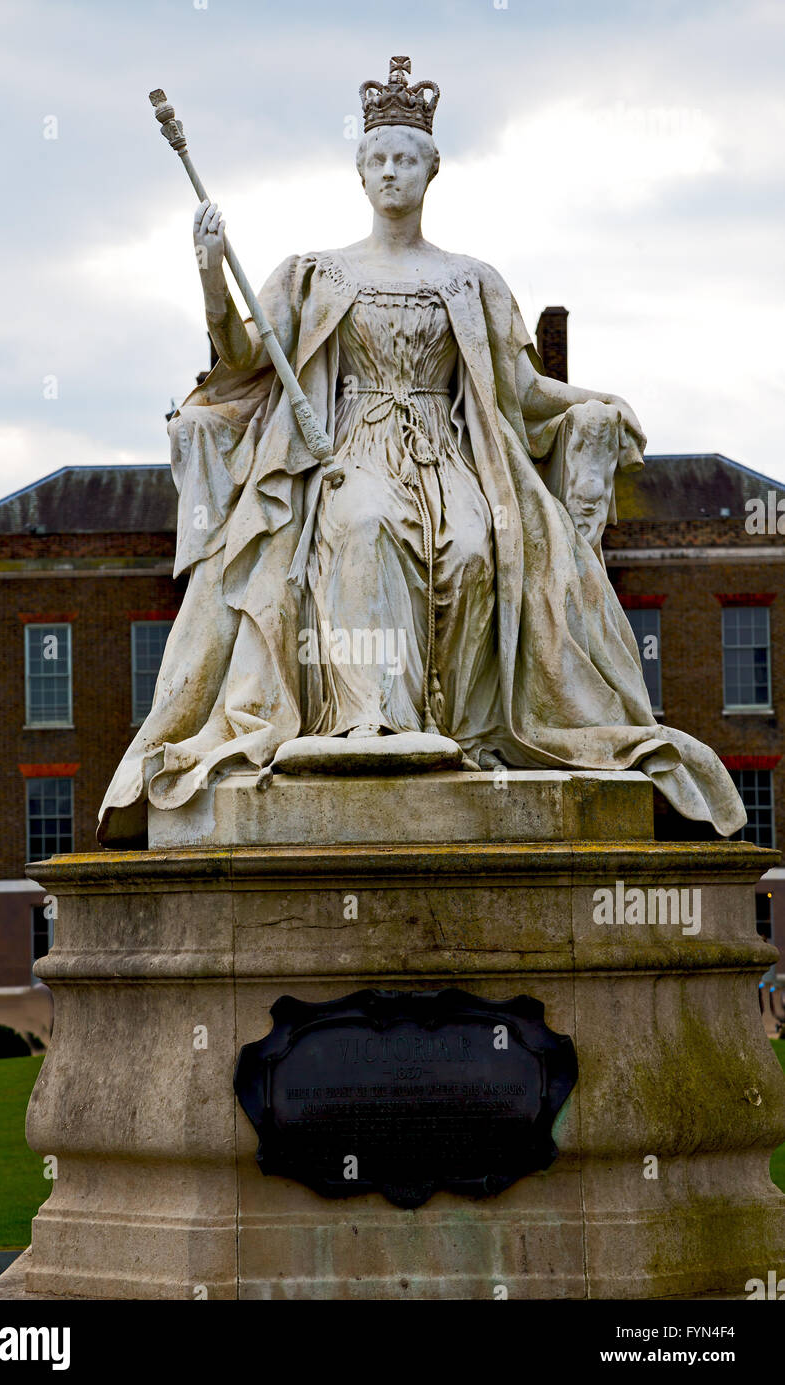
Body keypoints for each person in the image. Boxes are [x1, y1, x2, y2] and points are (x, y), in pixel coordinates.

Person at [98, 56, 745, 846]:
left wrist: (596, 403)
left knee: (477, 547)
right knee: (365, 525)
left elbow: (521, 391)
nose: (391, 171)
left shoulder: (471, 281)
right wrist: (209, 276)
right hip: (349, 451)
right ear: (360, 173)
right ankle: (371, 722)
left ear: (432, 171)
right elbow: (241, 360)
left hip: (449, 457)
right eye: (378, 159)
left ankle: (466, 732)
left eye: (406, 158)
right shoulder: (315, 275)